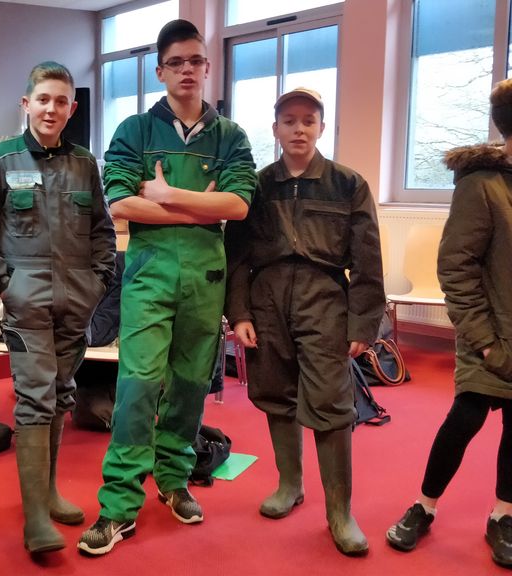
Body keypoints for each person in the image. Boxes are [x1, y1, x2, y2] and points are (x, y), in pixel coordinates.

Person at [77, 19, 257, 556]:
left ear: (207, 66)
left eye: (195, 61)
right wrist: (201, 208)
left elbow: (238, 205)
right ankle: (119, 504)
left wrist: (165, 194)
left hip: (206, 279)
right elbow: (121, 203)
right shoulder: (134, 130)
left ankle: (174, 480)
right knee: (137, 384)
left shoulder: (231, 137)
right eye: (175, 62)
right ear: (160, 71)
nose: (186, 70)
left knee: (190, 384)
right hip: (150, 274)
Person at [223, 87, 385, 556]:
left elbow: (368, 262)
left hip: (324, 300)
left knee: (332, 404)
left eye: (308, 121)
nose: (299, 129)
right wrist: (240, 312)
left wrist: (362, 324)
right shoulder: (257, 186)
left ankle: (340, 512)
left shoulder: (347, 184)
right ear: (275, 129)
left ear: (321, 128)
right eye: (289, 121)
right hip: (267, 300)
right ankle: (289, 484)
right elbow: (237, 255)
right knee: (276, 394)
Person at [0, 62, 116, 553]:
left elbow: (102, 231)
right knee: (34, 396)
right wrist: (6, 285)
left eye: (61, 101)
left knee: (61, 392)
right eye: (43, 99)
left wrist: (98, 282)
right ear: (26, 103)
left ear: (72, 109)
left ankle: (49, 493)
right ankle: (34, 520)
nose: (52, 109)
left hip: (76, 298)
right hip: (25, 298)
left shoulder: (85, 163)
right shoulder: (1, 159)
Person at [385, 79, 512, 568]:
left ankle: (503, 516)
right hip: (491, 335)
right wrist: (484, 342)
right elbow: (456, 269)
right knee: (464, 420)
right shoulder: (482, 185)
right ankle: (424, 505)